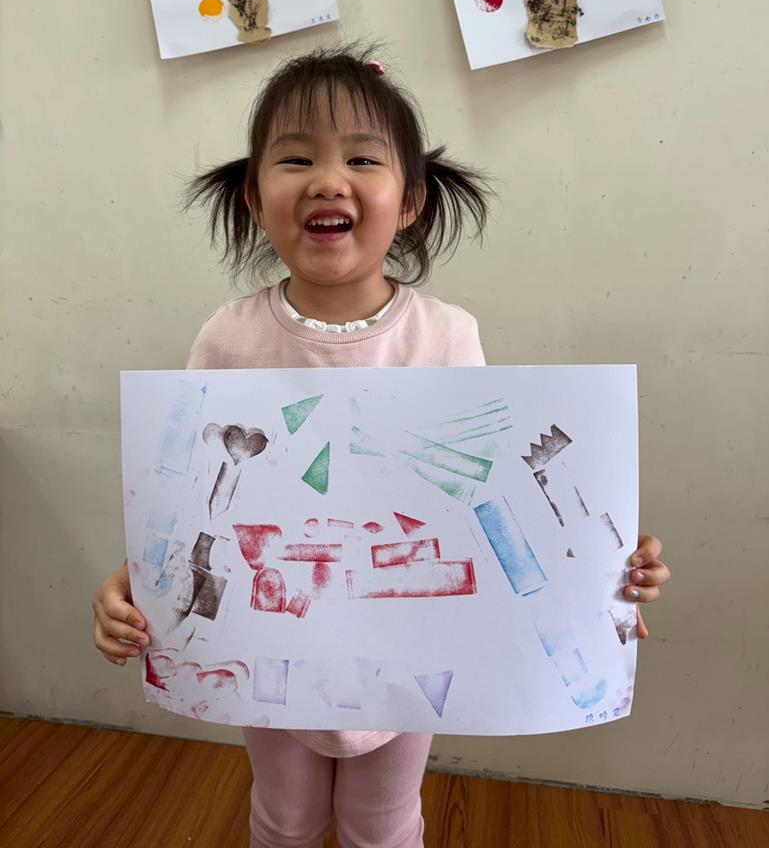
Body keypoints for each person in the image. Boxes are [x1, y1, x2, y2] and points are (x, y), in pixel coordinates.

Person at [93, 46, 671, 848]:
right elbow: (192, 494)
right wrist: (133, 585)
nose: (328, 181)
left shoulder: (446, 336)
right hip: (269, 644)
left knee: (383, 825)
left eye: (362, 159)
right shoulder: (227, 337)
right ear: (255, 197)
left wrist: (600, 575)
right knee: (283, 818)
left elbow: (489, 496)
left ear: (409, 202)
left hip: (408, 656)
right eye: (296, 159)